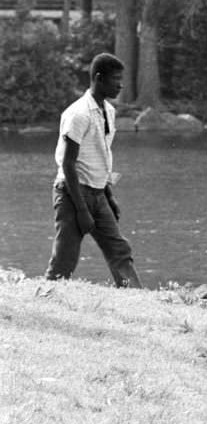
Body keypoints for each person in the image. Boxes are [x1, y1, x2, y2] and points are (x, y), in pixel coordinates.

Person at [46, 53, 142, 288]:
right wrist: (81, 210)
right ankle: (47, 299)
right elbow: (68, 164)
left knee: (119, 249)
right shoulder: (78, 114)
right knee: (64, 260)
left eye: (122, 79)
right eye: (115, 79)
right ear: (98, 79)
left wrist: (109, 195)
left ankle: (137, 297)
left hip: (98, 195)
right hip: (71, 194)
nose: (120, 85)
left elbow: (101, 156)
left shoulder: (108, 111)